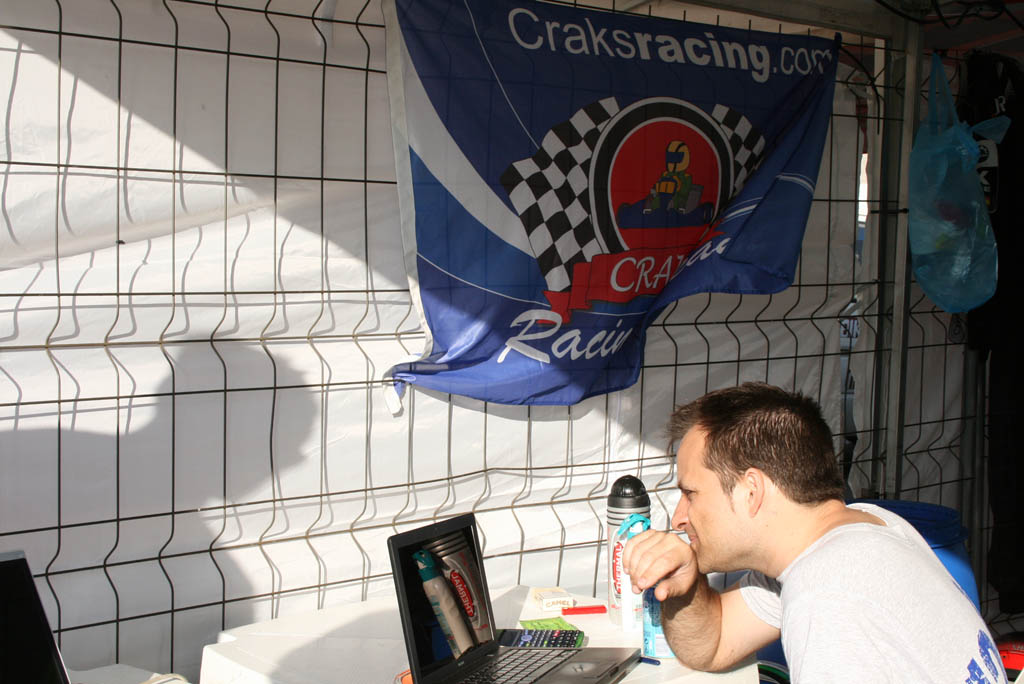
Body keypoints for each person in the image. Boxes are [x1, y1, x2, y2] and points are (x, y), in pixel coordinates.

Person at [622, 382, 1008, 683]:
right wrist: (686, 586)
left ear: (750, 491)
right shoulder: (861, 526)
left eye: (690, 494)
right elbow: (716, 642)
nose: (679, 518)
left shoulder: (827, 595)